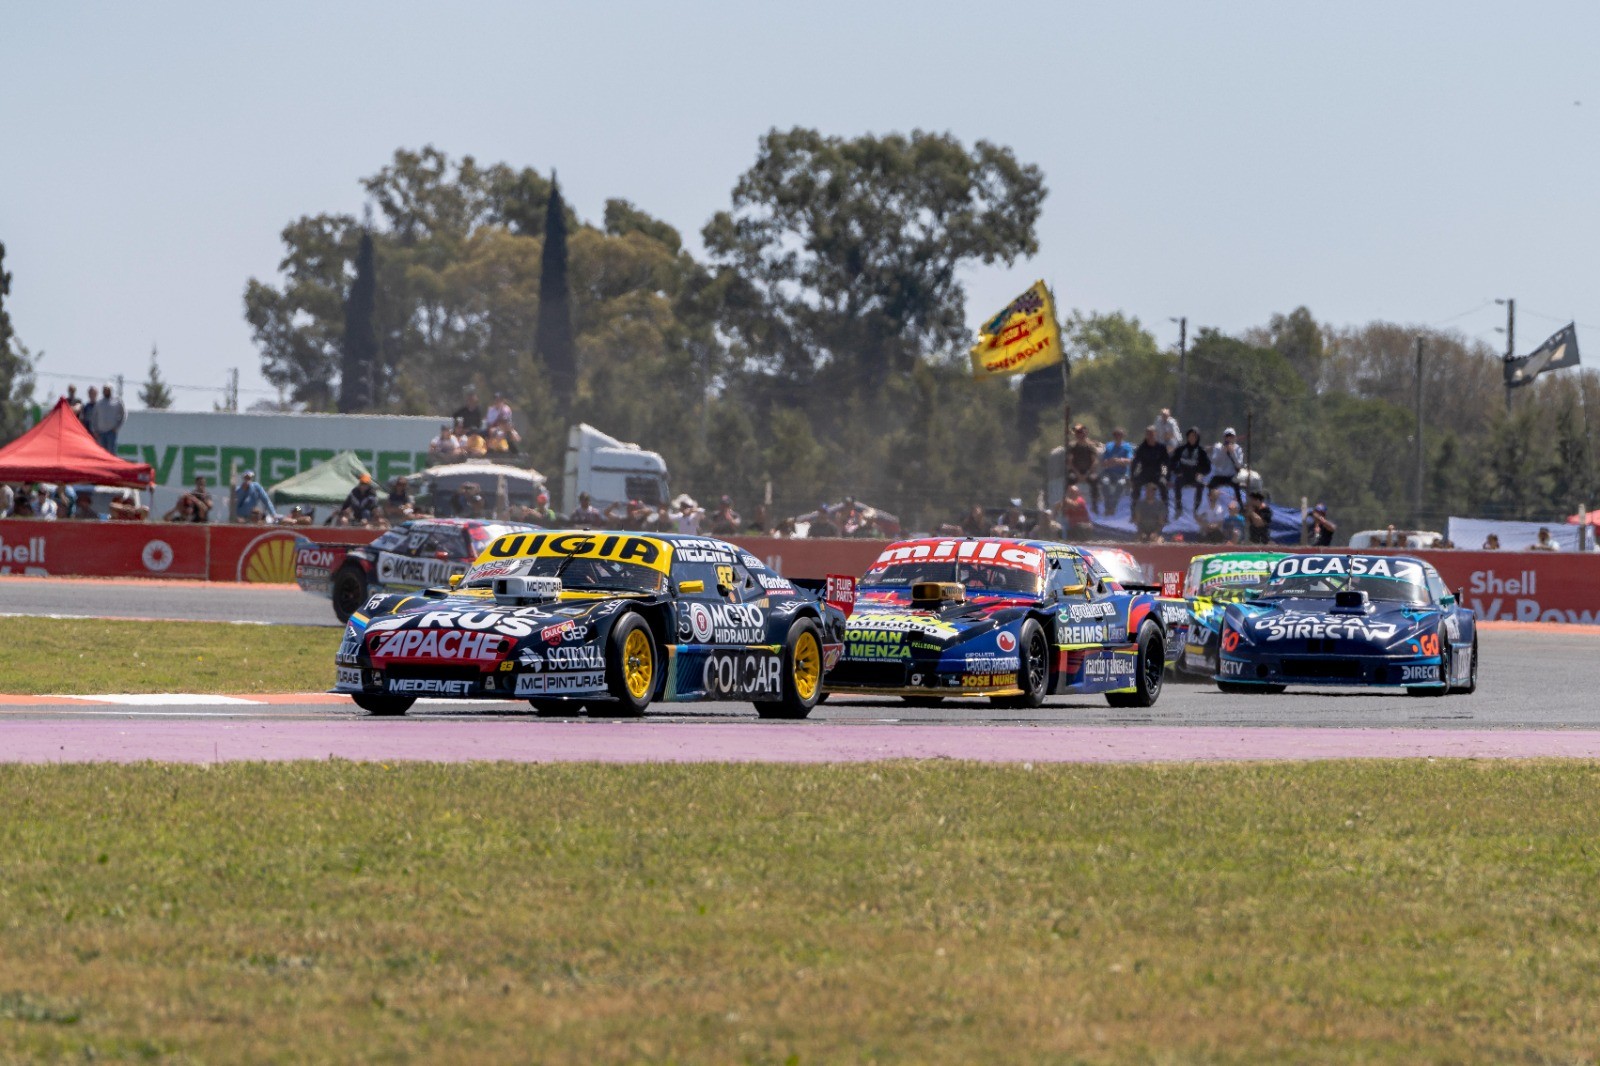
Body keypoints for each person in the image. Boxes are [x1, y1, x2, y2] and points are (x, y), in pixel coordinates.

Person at [1169, 427, 1211, 518]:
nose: (1192, 439)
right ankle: (1178, 507)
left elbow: (1208, 467)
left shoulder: (1201, 451)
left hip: (1195, 477)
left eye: (1194, 437)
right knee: (1177, 483)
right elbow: (1171, 462)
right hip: (1183, 475)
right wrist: (1177, 471)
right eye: (1190, 436)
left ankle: (1197, 508)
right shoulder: (1181, 449)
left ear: (1197, 438)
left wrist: (1201, 473)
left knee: (1200, 484)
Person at [1131, 426, 1170, 512]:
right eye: (1148, 434)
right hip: (1145, 473)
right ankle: (1134, 511)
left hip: (1157, 473)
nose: (1150, 436)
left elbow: (1165, 464)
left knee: (1163, 484)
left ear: (1156, 435)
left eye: (1152, 434)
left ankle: (1165, 512)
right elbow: (1136, 462)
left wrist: (1165, 476)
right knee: (1136, 484)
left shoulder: (1161, 447)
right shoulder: (1141, 447)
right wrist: (1133, 477)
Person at [1098, 428, 1134, 514]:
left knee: (1120, 484)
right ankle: (1108, 507)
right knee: (1105, 482)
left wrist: (1119, 461)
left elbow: (1130, 461)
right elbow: (1103, 463)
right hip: (1108, 472)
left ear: (1123, 436)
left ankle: (1112, 508)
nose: (1118, 437)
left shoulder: (1127, 447)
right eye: (1116, 435)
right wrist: (1111, 462)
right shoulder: (1109, 446)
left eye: (1120, 435)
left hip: (1122, 473)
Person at [1066, 424, 1101, 512]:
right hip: (1075, 471)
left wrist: (1087, 473)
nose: (1079, 434)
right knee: (1070, 479)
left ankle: (1094, 505)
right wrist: (1077, 473)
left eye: (1080, 432)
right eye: (1077, 433)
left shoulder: (1090, 446)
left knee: (1094, 480)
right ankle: (1068, 504)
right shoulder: (1072, 447)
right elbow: (1070, 462)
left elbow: (1095, 461)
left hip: (1088, 471)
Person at [1208, 428, 1245, 508]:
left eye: (1231, 436)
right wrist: (1222, 452)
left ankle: (1241, 507)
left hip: (1231, 476)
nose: (1229, 438)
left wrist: (1232, 453)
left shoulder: (1238, 449)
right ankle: (1211, 505)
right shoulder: (1218, 447)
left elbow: (1239, 465)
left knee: (1237, 488)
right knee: (1211, 486)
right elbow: (1215, 463)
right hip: (1220, 475)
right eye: (1227, 436)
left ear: (1234, 438)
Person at [92, 384, 126, 453]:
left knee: (111, 452)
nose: (106, 391)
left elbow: (123, 414)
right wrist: (95, 430)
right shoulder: (99, 403)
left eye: (108, 390)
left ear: (111, 391)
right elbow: (94, 417)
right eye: (105, 390)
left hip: (111, 432)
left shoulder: (117, 402)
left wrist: (117, 427)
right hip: (101, 432)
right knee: (102, 452)